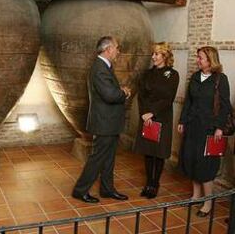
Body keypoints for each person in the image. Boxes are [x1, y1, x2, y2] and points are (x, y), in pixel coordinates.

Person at [72, 36, 131, 203]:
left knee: (108, 158)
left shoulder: (105, 66)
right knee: (97, 158)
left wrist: (118, 90)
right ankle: (80, 190)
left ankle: (107, 189)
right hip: (104, 122)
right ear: (108, 49)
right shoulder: (99, 68)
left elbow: (109, 89)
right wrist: (124, 92)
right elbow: (110, 95)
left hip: (109, 122)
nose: (118, 51)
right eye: (116, 48)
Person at [178, 46, 231, 217]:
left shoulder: (220, 79)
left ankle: (208, 202)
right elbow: (188, 102)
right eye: (198, 57)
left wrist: (219, 128)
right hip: (192, 127)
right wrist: (182, 120)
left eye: (201, 58)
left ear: (210, 60)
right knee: (192, 160)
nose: (197, 60)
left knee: (206, 166)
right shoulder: (195, 77)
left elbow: (224, 107)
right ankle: (196, 196)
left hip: (209, 129)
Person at [134, 42, 179, 199]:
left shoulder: (173, 75)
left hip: (162, 117)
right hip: (146, 117)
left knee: (158, 153)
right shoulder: (146, 74)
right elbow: (141, 96)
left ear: (165, 56)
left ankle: (155, 184)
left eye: (156, 54)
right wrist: (144, 113)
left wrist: (152, 112)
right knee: (148, 151)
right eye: (153, 54)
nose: (153, 57)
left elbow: (168, 98)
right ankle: (148, 182)